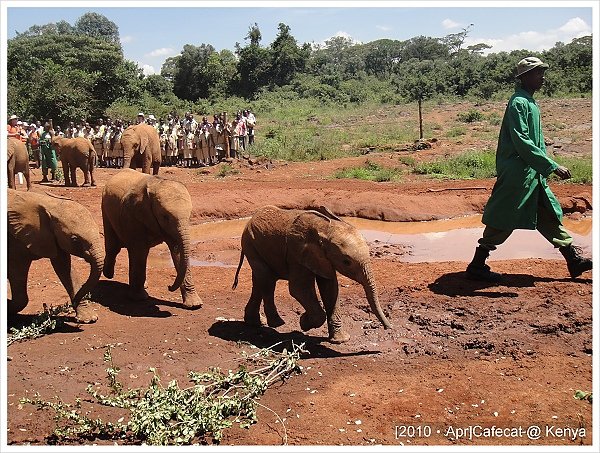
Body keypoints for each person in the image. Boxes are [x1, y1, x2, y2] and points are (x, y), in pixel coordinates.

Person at [466, 56, 592, 282]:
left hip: (532, 172)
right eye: (537, 73)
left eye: (542, 73)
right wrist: (551, 165)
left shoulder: (529, 102)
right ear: (524, 77)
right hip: (518, 173)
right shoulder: (519, 102)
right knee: (505, 216)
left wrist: (543, 166)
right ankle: (477, 264)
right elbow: (522, 140)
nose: (542, 78)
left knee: (546, 213)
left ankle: (573, 259)